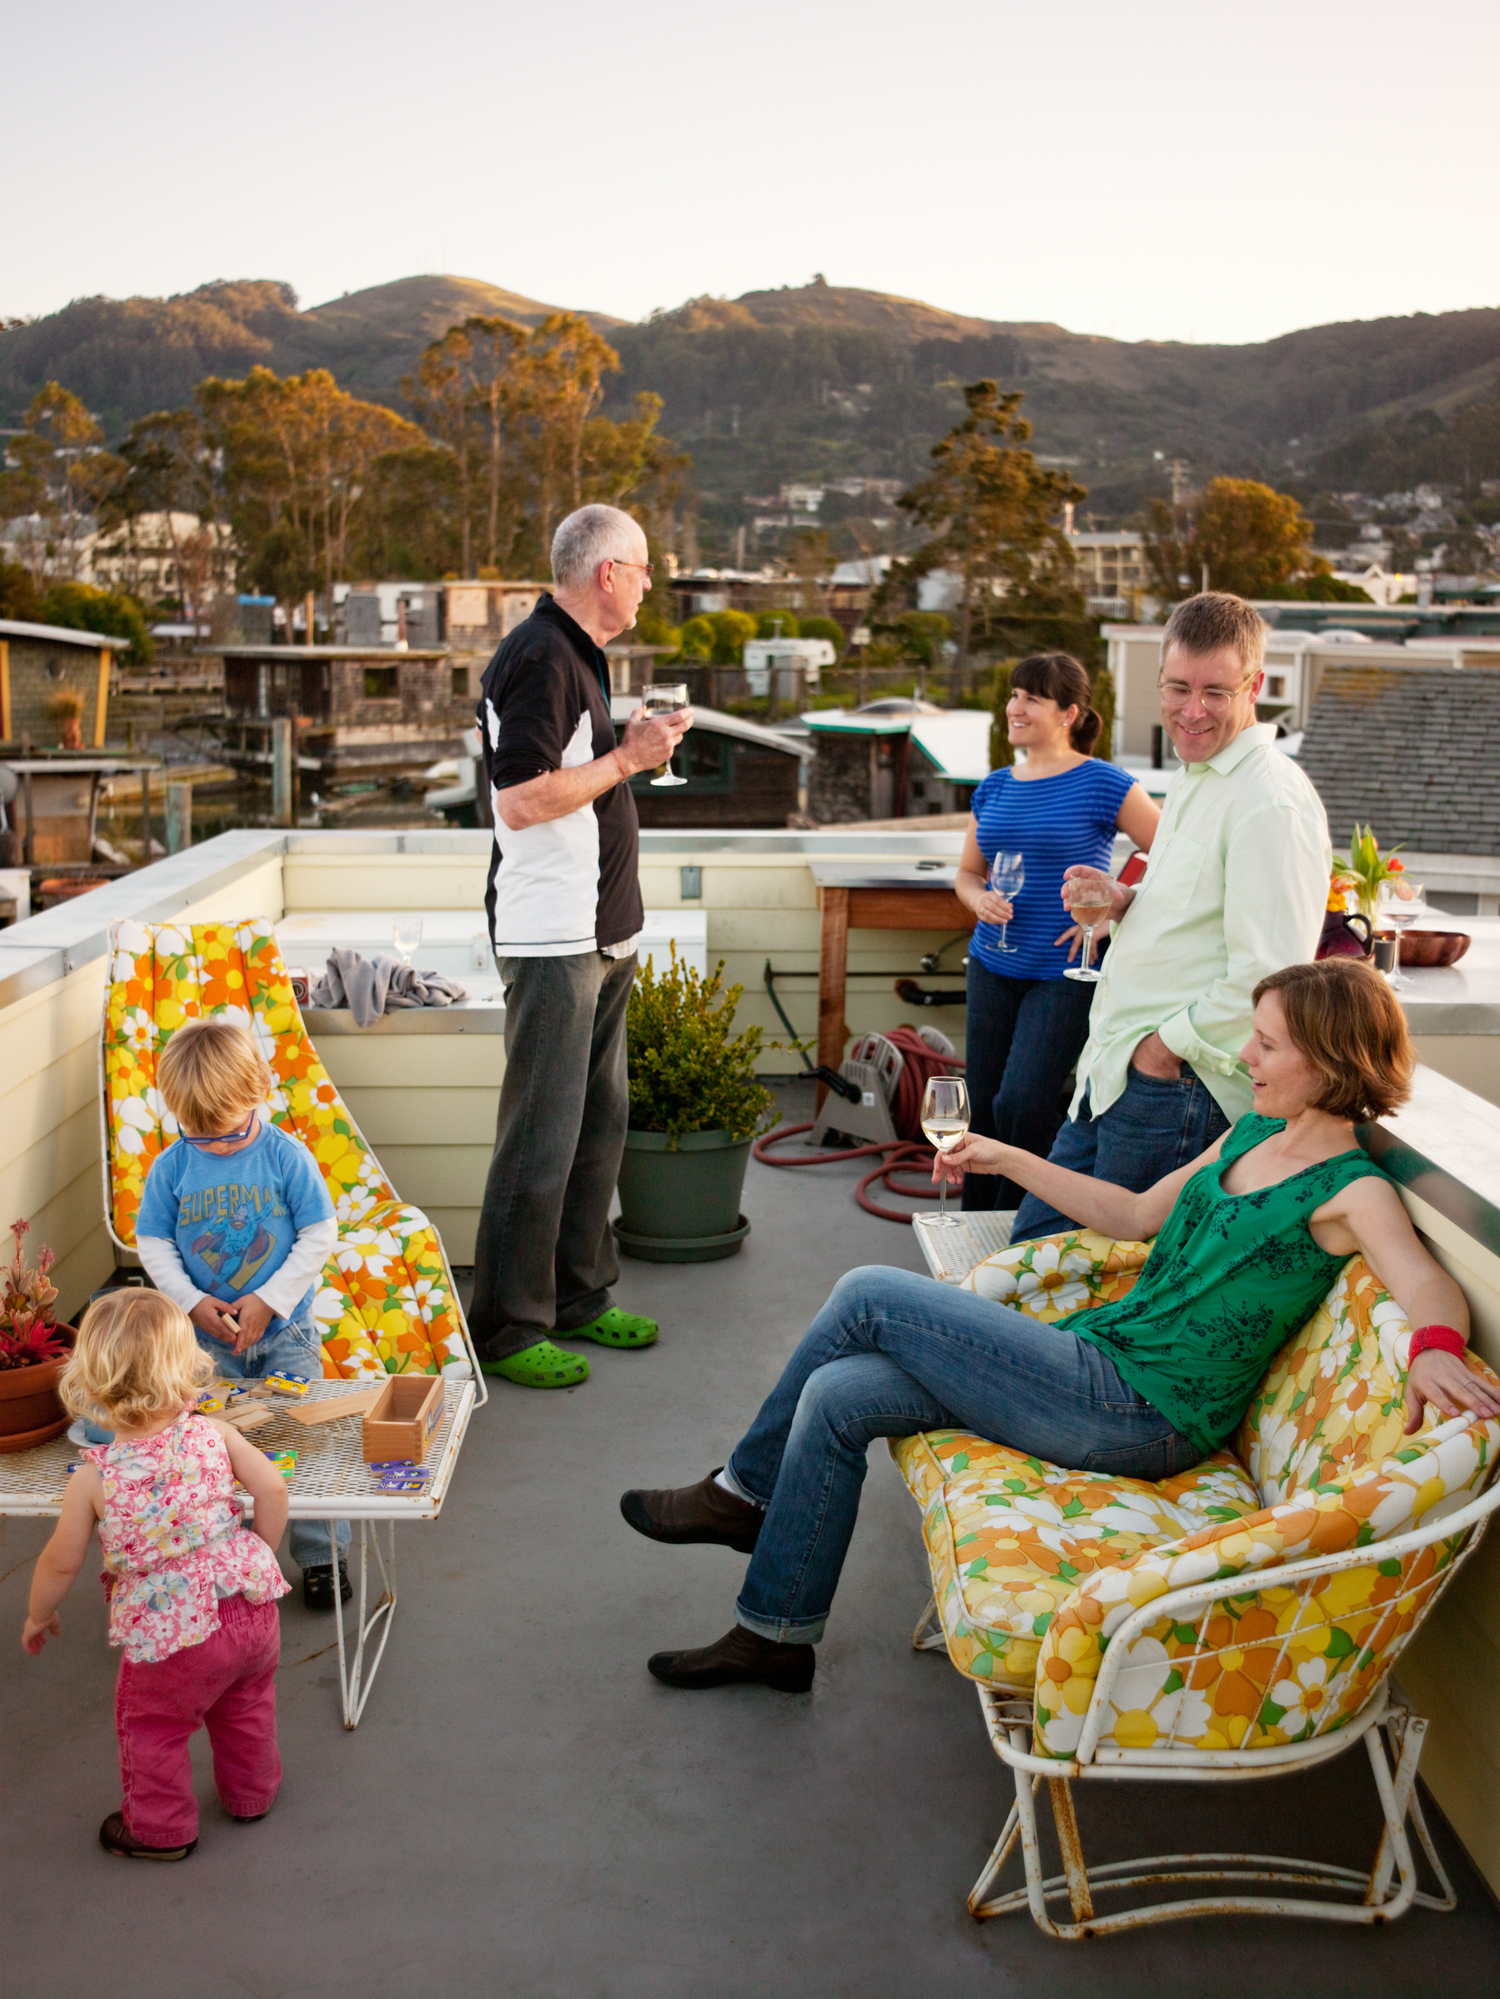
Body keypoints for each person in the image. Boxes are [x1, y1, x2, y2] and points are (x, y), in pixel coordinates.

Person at [619, 958, 1500, 1692]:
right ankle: (774, 1633)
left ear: (1331, 1058)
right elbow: (1128, 1213)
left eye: (1266, 1043)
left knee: (868, 1291)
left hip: (1144, 1415)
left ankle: (741, 1493)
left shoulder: (1353, 1189)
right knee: (839, 1394)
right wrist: (1005, 1156)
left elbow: (1427, 1282)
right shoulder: (1248, 1136)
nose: (1245, 1054)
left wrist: (1432, 1350)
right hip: (1098, 1361)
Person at [1011, 592, 1331, 1244]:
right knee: (1033, 1255)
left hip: (1175, 1089)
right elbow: (1198, 911)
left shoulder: (1268, 800)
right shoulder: (1196, 773)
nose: (1192, 709)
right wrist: (1125, 901)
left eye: (1215, 691)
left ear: (1255, 686)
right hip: (1113, 1073)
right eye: (1178, 687)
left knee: (1098, 1286)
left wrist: (1161, 1054)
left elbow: (1272, 976)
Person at [468, 504, 691, 1389]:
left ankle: (581, 1296)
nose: (647, 583)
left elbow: (569, 777)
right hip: (551, 931)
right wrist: (628, 759)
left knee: (598, 1122)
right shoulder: (538, 657)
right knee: (541, 1132)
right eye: (641, 568)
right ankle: (510, 1326)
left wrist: (628, 747)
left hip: (599, 927)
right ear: (607, 572)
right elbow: (519, 799)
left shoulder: (577, 657)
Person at [21, 1290, 291, 1860]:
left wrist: (39, 1612)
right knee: (246, 1704)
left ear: (90, 1384)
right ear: (186, 1367)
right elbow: (271, 1489)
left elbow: (60, 1560)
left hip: (175, 1638)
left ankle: (161, 1829)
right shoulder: (215, 1435)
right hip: (249, 1609)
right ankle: (253, 1795)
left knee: (153, 1728)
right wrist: (255, 1558)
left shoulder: (94, 1480)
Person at [133, 1016, 349, 1610]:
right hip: (205, 1345)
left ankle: (322, 1555)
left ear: (258, 1093)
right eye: (198, 1135)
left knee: (306, 1443)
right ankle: (222, 1551)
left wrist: (269, 1300)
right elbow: (153, 1242)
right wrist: (192, 1303)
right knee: (212, 1447)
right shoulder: (173, 1166)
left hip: (287, 1332)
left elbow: (319, 1232)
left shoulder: (285, 1156)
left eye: (225, 1133)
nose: (215, 1145)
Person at [955, 652, 1158, 1212]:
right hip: (992, 965)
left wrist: (1112, 907)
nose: (1015, 708)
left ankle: (1020, 1224)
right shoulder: (994, 786)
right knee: (984, 1104)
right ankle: (976, 1223)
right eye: (1014, 695)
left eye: (1032, 699)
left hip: (1063, 973)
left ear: (1069, 713)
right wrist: (980, 900)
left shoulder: (1104, 783)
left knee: (1024, 1100)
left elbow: (1171, 853)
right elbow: (968, 873)